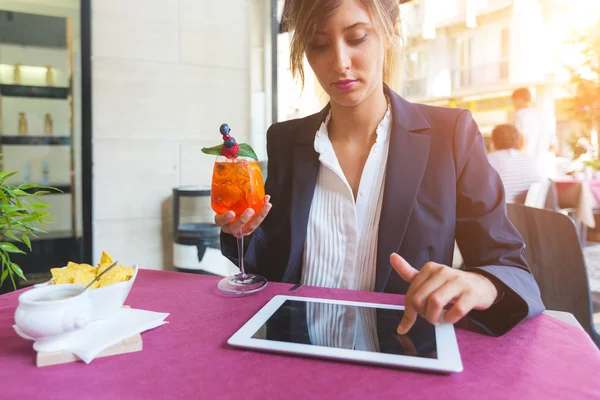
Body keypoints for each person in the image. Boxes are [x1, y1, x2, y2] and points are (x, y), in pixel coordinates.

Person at [217, 0, 544, 336]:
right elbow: (277, 267)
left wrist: (478, 283)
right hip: (298, 359)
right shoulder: (286, 140)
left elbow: (508, 267)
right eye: (318, 44)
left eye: (357, 38)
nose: (339, 63)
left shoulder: (450, 135)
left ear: (391, 32)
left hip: (403, 358)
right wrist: (245, 234)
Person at [488, 124, 541, 204]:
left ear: (493, 142)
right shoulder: (530, 161)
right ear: (518, 141)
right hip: (527, 213)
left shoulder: (488, 160)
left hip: (500, 214)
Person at [511, 87, 556, 171]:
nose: (514, 105)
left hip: (526, 166)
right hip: (543, 168)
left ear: (520, 99)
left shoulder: (521, 114)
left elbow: (521, 140)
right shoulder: (542, 115)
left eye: (514, 101)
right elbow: (553, 146)